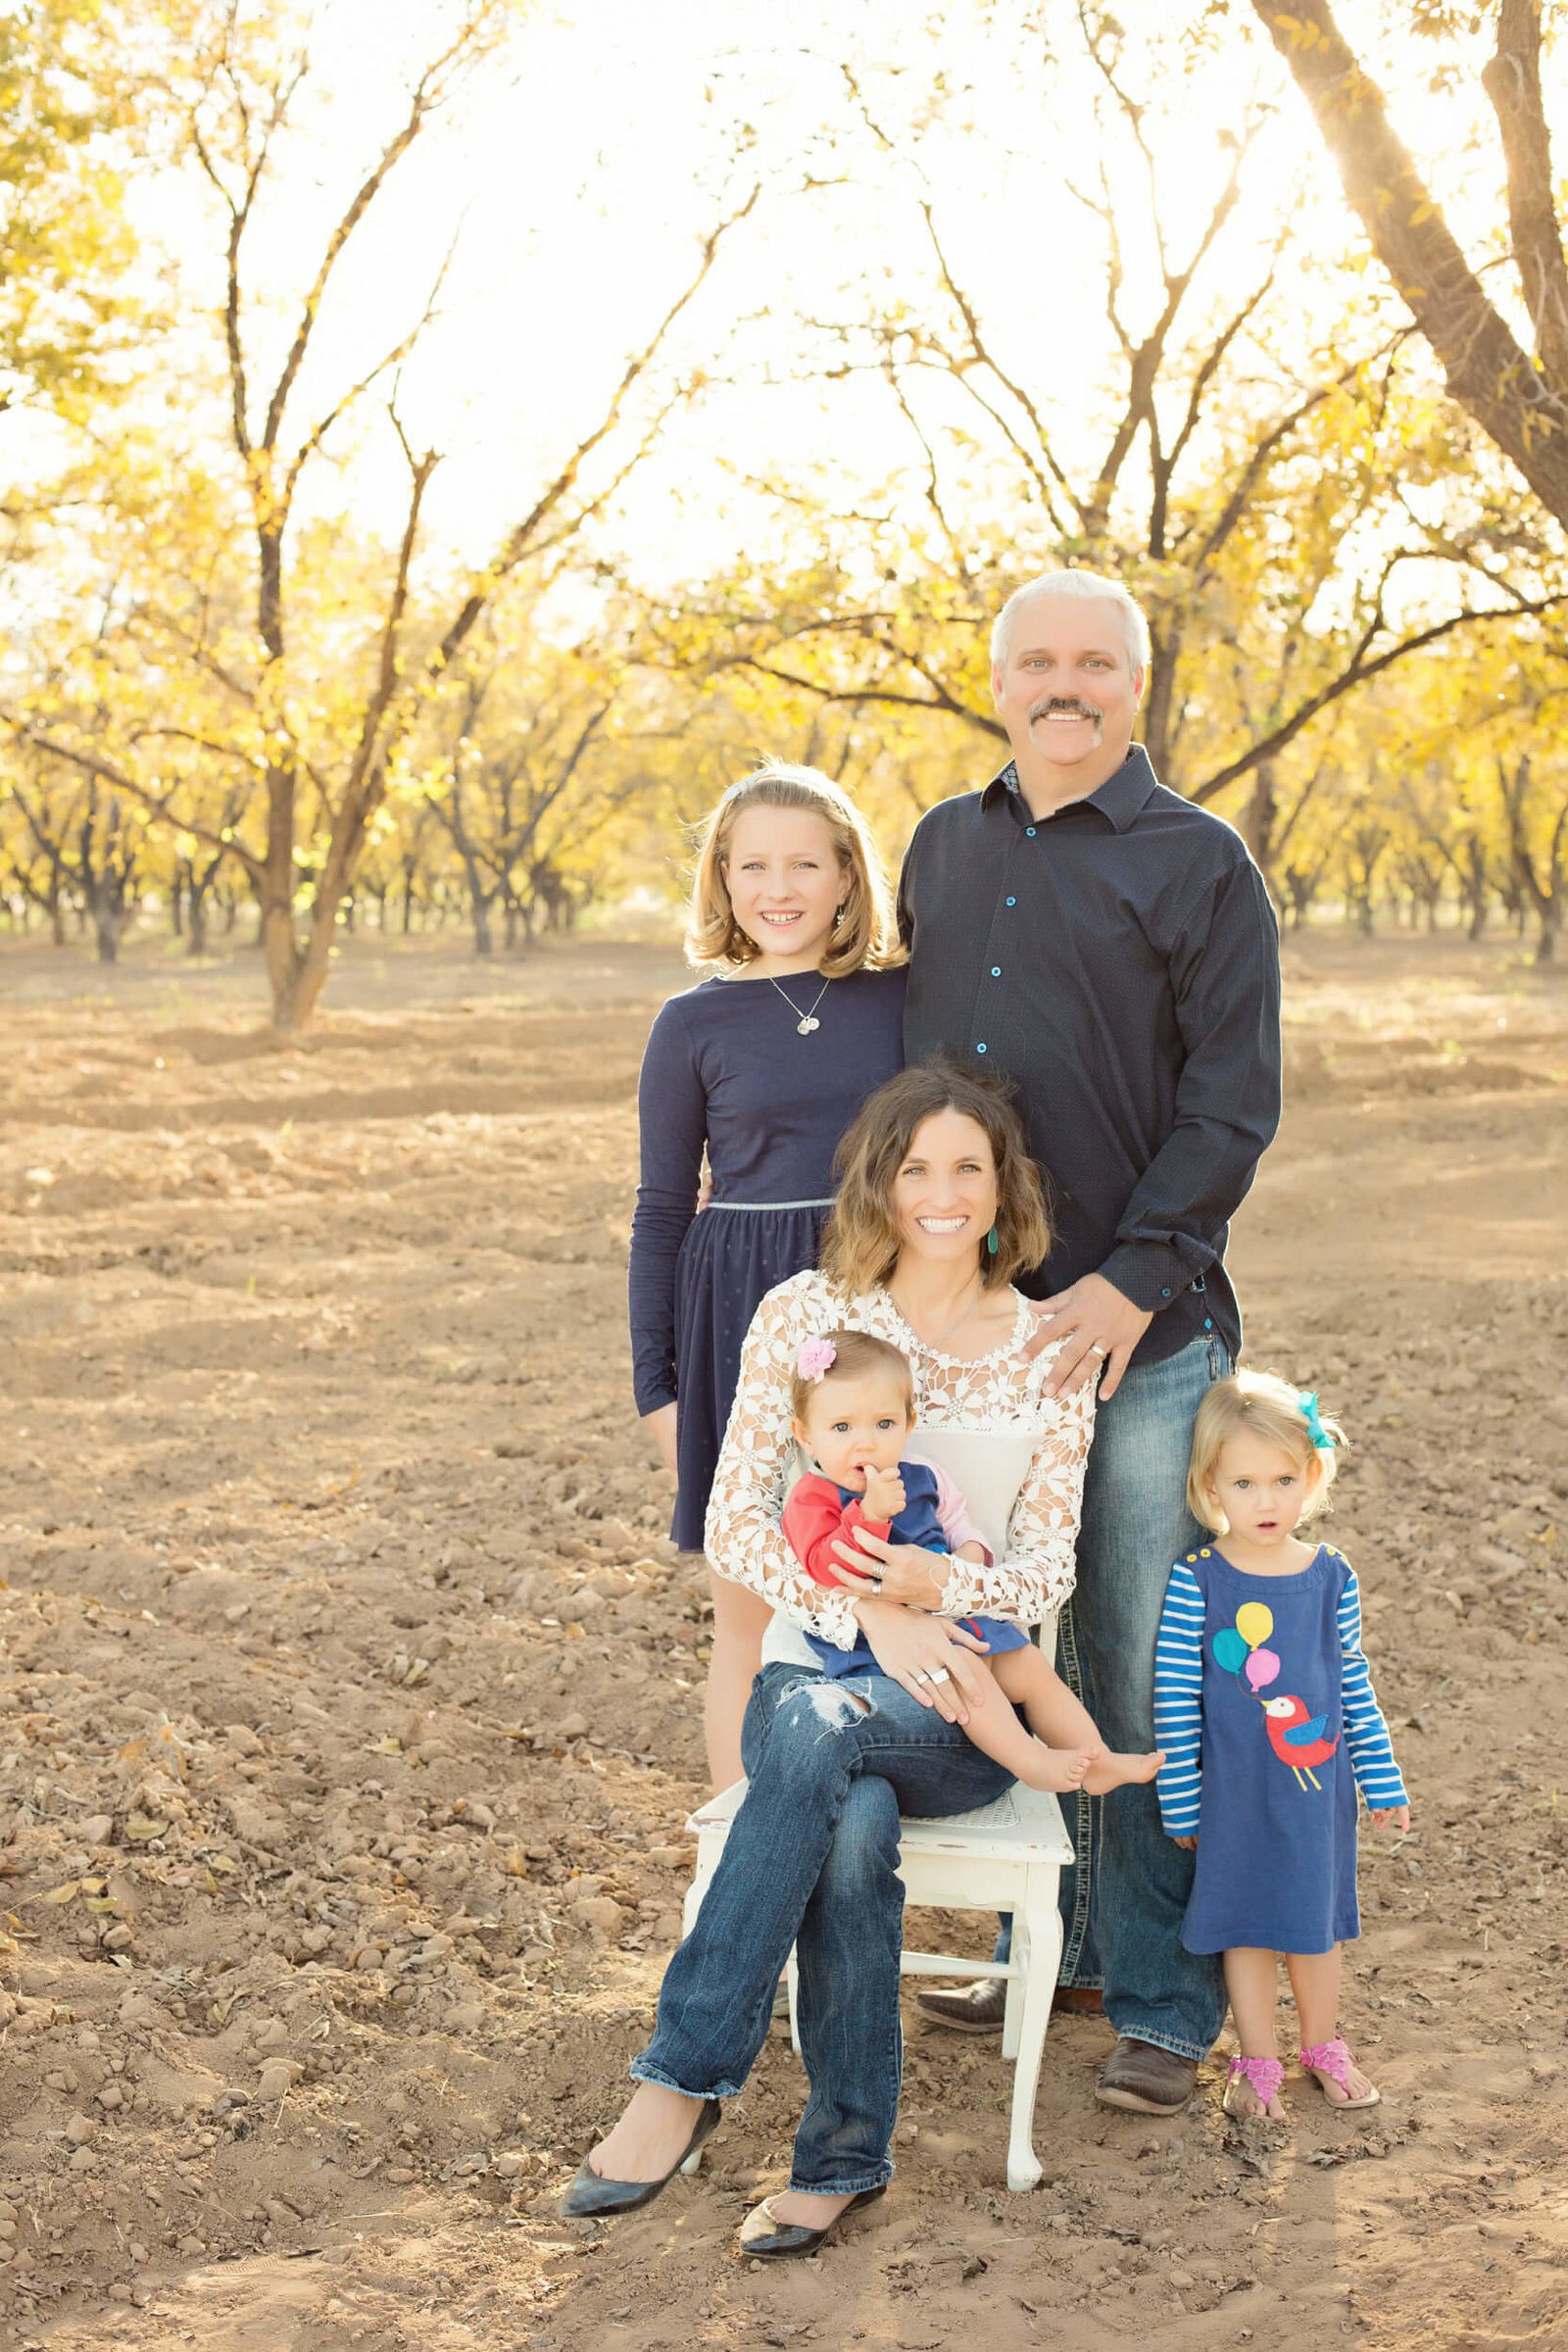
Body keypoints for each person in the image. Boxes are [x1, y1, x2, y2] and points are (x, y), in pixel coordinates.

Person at [565, 1063, 1094, 2254]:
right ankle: (844, 2155)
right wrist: (868, 1617)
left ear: (1005, 1188)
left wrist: (933, 1587)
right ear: (879, 1184)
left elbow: (1048, 1568)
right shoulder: (805, 1312)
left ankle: (683, 2081)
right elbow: (736, 1515)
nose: (942, 1194)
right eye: (916, 1168)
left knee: (819, 1747)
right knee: (838, 1799)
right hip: (815, 1682)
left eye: (969, 1167)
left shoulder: (1051, 1345)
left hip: (958, 1716)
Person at [902, 565, 1283, 2115]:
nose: (1065, 685)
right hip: (977, 1332)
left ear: (1137, 682)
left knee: (1130, 1652)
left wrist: (1132, 1279)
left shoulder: (1201, 865)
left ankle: (1160, 1995)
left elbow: (1233, 1102)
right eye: (1036, 662)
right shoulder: (943, 840)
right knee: (1001, 1635)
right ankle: (1034, 1936)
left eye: (1095, 663)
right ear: (998, 680)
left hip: (1137, 1327)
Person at [628, 760, 906, 1787]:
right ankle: (746, 1853)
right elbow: (661, 1210)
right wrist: (658, 1389)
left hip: (878, 1307)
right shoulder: (690, 1024)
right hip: (735, 1323)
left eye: (804, 863)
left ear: (845, 878)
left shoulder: (898, 1001)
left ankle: (868, 1846)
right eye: (753, 865)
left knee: (880, 1580)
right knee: (748, 1613)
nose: (777, 887)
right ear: (723, 879)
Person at [1153, 1373, 1409, 2119]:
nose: (1265, 1501)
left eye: (1282, 1480)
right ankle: (1257, 2057)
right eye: (1244, 1482)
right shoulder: (1196, 1581)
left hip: (1314, 1796)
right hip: (1232, 1796)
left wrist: (1381, 1780)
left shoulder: (1331, 1577)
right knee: (1246, 1927)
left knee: (1313, 1924)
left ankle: (1323, 2043)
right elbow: (1174, 1698)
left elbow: (1352, 1685)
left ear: (1311, 1477)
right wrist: (1182, 1797)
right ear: (1210, 1486)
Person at [784, 1326, 1162, 1795]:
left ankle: (1098, 1759)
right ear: (806, 1435)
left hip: (954, 1610)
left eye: (884, 1425)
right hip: (884, 1645)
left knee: (1027, 1666)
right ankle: (1031, 1760)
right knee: (970, 1678)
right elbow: (827, 1569)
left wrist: (969, 1555)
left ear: (908, 1422)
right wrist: (871, 1513)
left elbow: (958, 1522)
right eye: (842, 1428)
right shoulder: (812, 1499)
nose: (865, 1443)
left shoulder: (923, 1475)